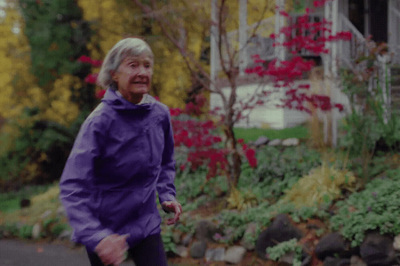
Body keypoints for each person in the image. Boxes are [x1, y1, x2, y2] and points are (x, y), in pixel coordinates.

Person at [59, 37, 182, 266]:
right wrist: (97, 236)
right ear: (114, 74)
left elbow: (166, 162)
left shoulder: (160, 115)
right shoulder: (99, 122)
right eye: (133, 65)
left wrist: (167, 195)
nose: (143, 72)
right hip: (106, 230)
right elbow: (72, 187)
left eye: (147, 65)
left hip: (145, 224)